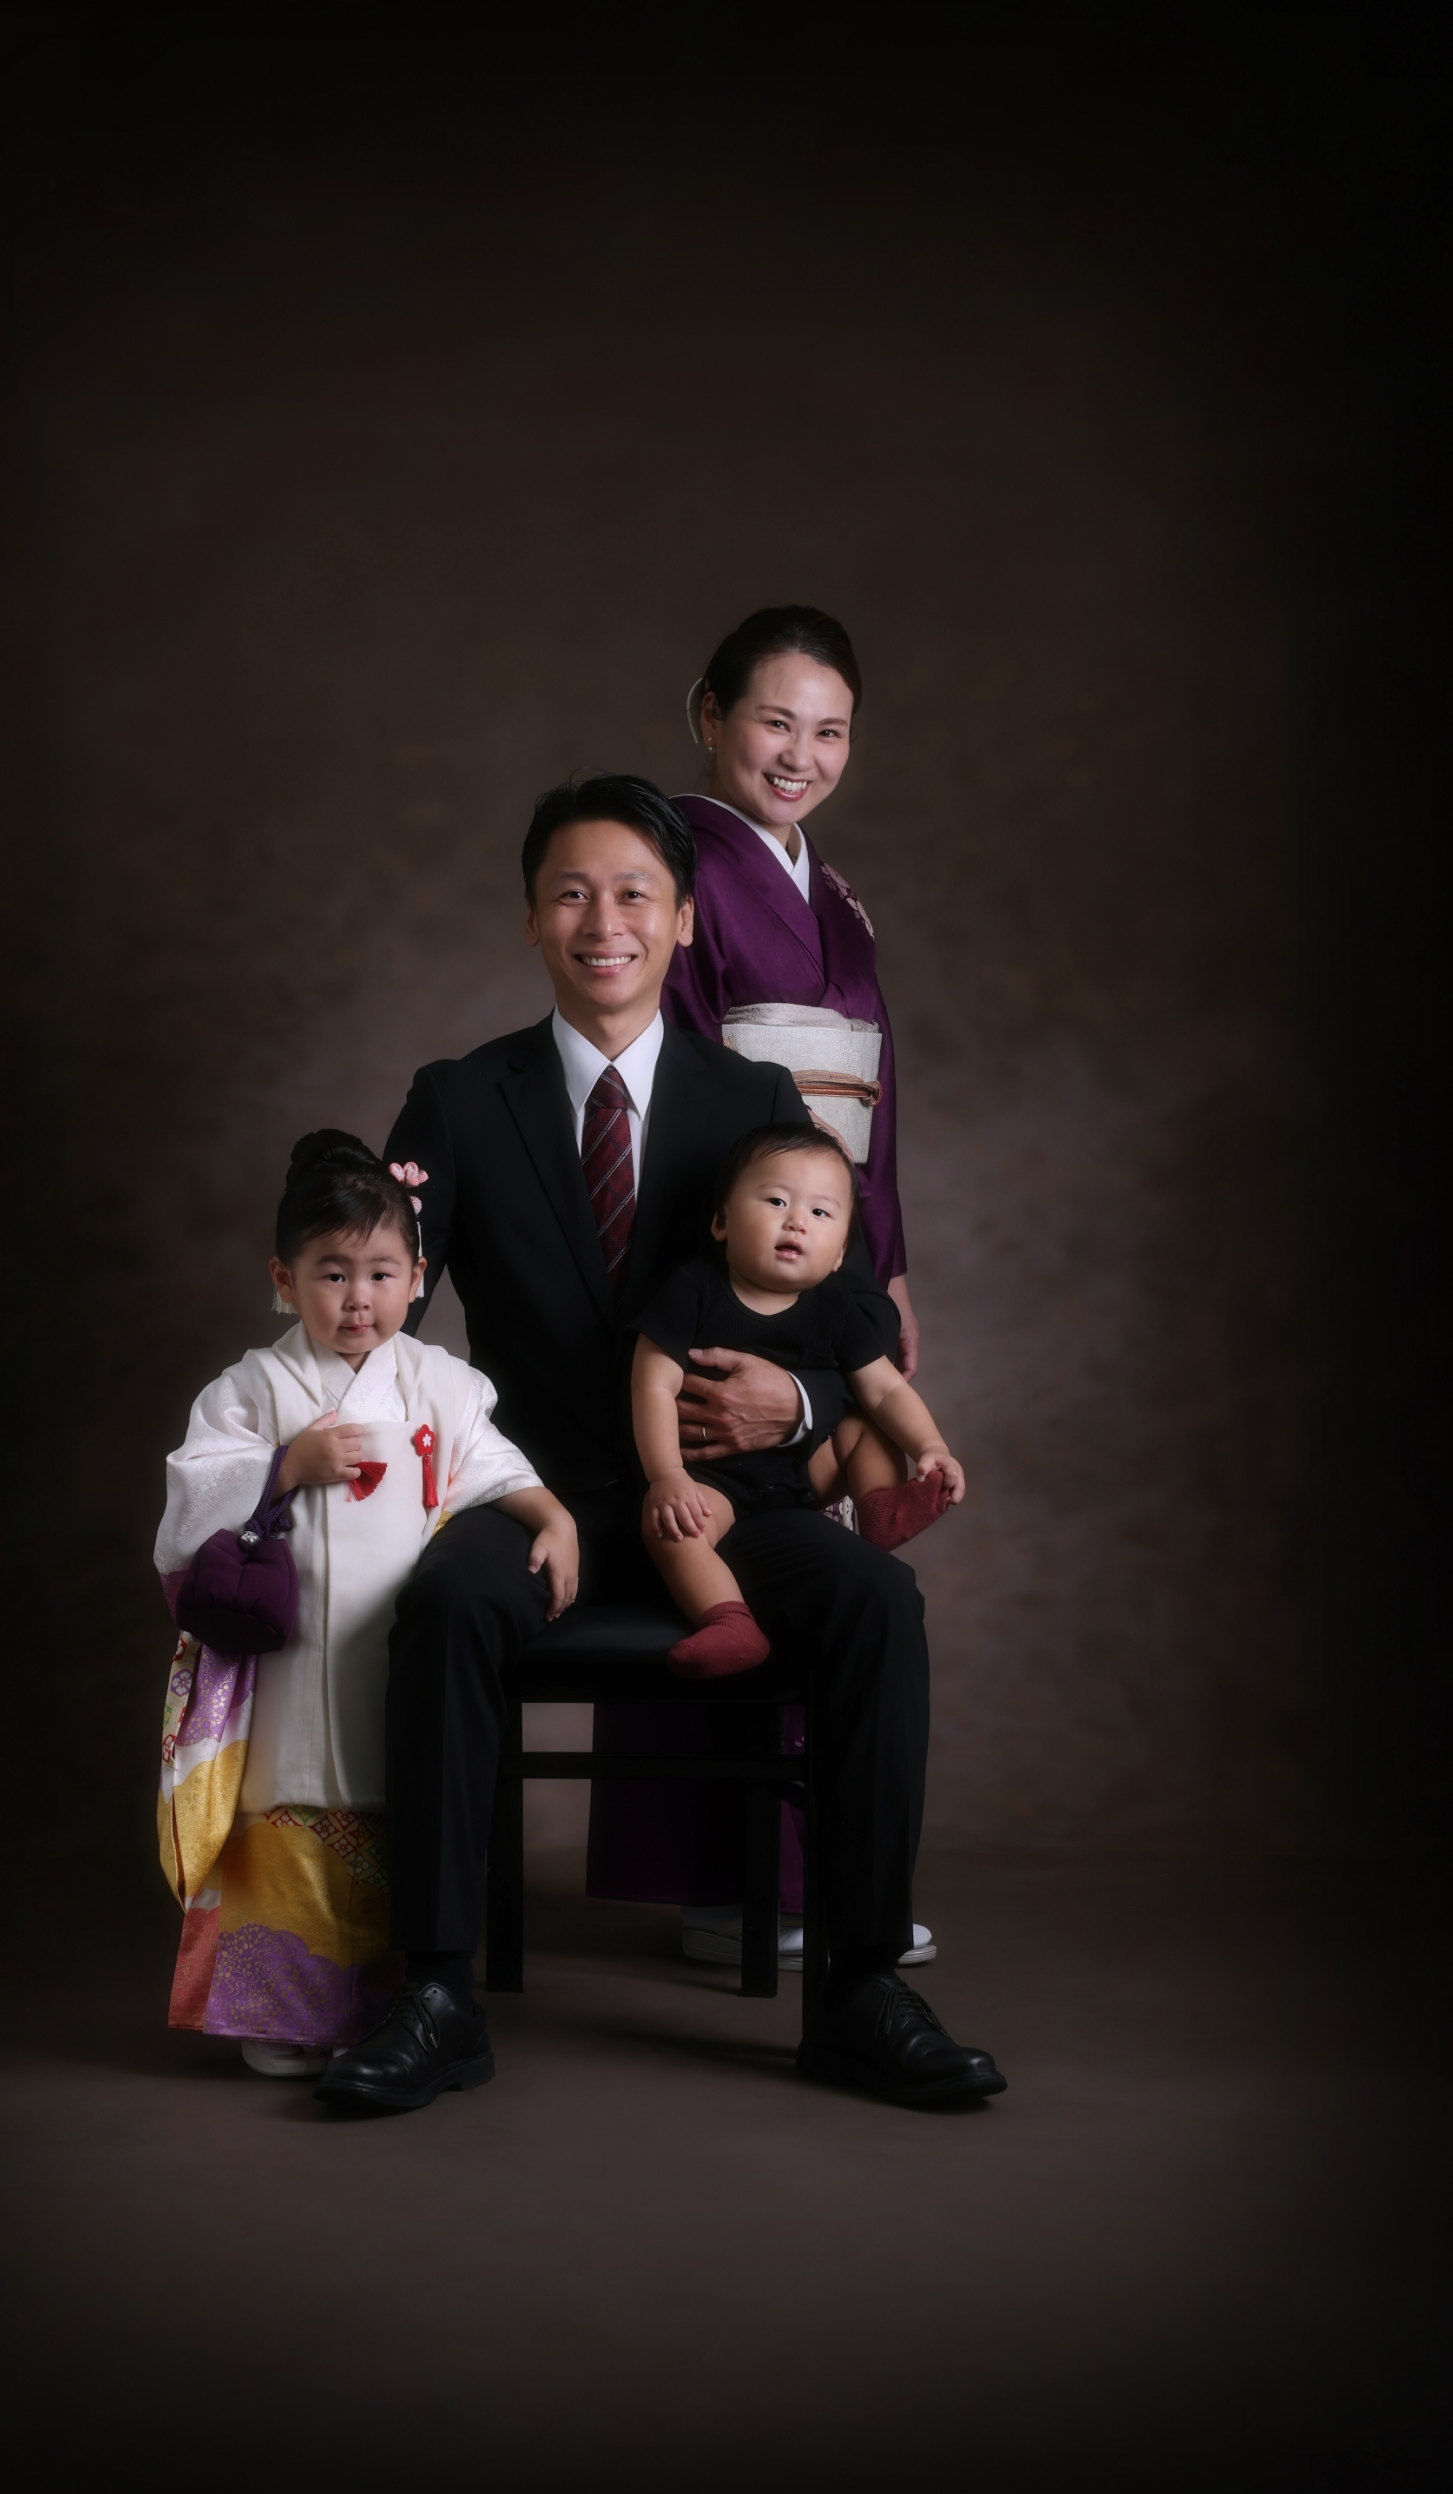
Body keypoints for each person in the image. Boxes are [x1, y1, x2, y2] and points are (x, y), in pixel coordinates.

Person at [314, 773, 1006, 2113]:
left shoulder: (753, 1097)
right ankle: (435, 1990)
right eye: (570, 893)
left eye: (635, 893)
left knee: (877, 1602)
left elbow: (839, 1317)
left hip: (736, 1505)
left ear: (685, 919)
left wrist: (797, 1409)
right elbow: (376, 1307)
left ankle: (861, 1989)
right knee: (445, 1603)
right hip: (538, 1500)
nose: (604, 921)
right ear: (530, 918)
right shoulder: (457, 1099)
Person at [588, 605, 937, 1971]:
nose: (800, 754)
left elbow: (874, 1104)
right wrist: (747, 1295)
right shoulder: (676, 871)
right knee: (730, 1539)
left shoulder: (832, 894)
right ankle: (727, 1880)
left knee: (820, 1538)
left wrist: (882, 1268)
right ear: (709, 715)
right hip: (727, 1254)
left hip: (820, 1249)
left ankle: (804, 1873)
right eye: (774, 721)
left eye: (829, 731)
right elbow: (683, 1096)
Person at [154, 1131, 575, 2079]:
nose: (358, 1299)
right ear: (283, 1278)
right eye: (332, 1274)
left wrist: (551, 1513)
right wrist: (280, 1466)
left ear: (417, 1278)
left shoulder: (439, 1383)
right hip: (288, 1654)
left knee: (399, 1798)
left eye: (382, 1274)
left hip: (389, 1640)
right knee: (286, 1813)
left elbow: (490, 1465)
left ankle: (392, 2012)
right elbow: (191, 1495)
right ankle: (280, 2016)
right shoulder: (250, 1389)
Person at [634, 1123, 964, 1678]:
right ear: (721, 1222)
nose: (796, 1222)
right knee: (669, 1527)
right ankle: (729, 1620)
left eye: (820, 1212)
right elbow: (652, 1385)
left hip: (805, 1472)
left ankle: (879, 1508)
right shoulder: (691, 1290)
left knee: (868, 1422)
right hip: (713, 1482)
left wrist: (931, 1447)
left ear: (839, 1255)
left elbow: (886, 1387)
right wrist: (667, 1475)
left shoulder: (835, 1307)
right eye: (776, 1201)